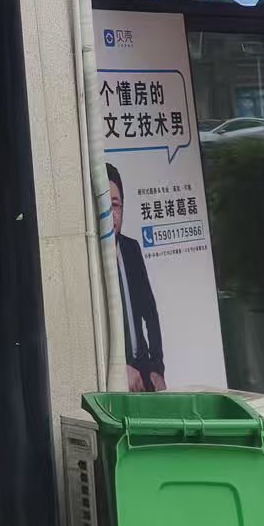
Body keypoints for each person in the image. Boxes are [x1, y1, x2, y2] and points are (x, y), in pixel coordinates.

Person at [107, 163, 166, 392]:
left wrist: (157, 368)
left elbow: (150, 313)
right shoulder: (89, 260)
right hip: (116, 375)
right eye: (104, 206)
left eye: (115, 205)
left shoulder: (131, 249)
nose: (111, 215)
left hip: (144, 371)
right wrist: (120, 368)